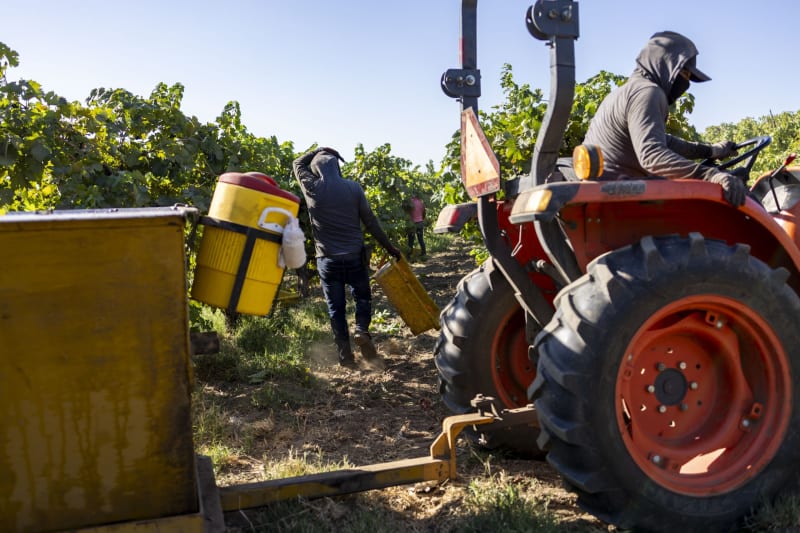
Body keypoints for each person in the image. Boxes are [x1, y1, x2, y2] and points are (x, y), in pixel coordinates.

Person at [582, 31, 744, 206]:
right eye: (685, 73)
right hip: (621, 195)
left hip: (612, 188)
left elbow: (663, 141)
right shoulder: (648, 93)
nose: (686, 83)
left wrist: (711, 151)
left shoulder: (624, 92)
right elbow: (652, 155)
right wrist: (709, 175)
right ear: (667, 65)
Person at [293, 146, 402, 368]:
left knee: (336, 309)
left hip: (328, 261)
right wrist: (390, 248)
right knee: (362, 297)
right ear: (337, 168)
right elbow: (371, 222)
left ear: (316, 171)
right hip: (354, 257)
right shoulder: (353, 188)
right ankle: (361, 329)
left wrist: (318, 149)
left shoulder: (312, 188)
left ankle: (346, 358)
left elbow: (297, 164)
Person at [406, 193, 427, 257]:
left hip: (412, 223)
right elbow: (424, 212)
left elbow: (407, 212)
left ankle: (409, 255)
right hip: (420, 222)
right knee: (420, 239)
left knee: (410, 240)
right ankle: (424, 253)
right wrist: (421, 218)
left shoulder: (410, 202)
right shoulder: (421, 202)